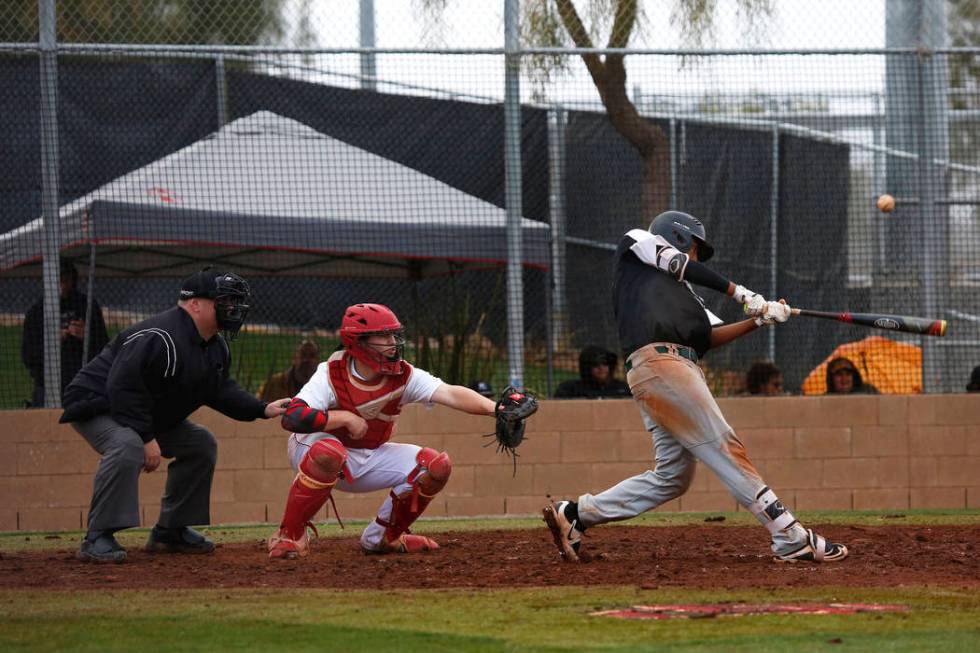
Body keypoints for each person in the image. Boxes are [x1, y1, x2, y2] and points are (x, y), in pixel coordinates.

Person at [543, 210, 848, 564]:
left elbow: (709, 337)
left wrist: (759, 319)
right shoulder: (637, 244)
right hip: (661, 364)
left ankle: (577, 514)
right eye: (696, 249)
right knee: (724, 444)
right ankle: (789, 535)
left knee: (673, 477)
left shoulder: (688, 299)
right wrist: (740, 292)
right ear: (679, 237)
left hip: (672, 370)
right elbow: (677, 264)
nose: (696, 257)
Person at [59, 267, 290, 563]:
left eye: (234, 301)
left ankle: (170, 531)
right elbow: (122, 387)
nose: (232, 308)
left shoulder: (215, 346)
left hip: (140, 409)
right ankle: (97, 537)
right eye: (224, 300)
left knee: (200, 444)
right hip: (96, 403)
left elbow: (219, 390)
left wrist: (262, 408)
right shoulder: (160, 337)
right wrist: (145, 437)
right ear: (195, 304)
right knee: (127, 445)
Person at [267, 302, 503, 559]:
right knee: (329, 452)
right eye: (384, 335)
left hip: (366, 454)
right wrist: (343, 417)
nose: (393, 341)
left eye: (394, 334)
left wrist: (498, 410)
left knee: (435, 465)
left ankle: (383, 537)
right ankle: (290, 535)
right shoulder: (331, 372)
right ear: (359, 341)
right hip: (314, 450)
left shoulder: (403, 374)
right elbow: (294, 417)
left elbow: (450, 393)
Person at [21, 258, 110, 407]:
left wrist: (86, 336)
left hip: (84, 383)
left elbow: (105, 348)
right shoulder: (36, 313)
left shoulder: (87, 306)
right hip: (48, 385)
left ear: (73, 280)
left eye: (65, 279)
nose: (62, 284)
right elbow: (28, 356)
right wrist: (51, 343)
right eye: (57, 280)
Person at [554, 346, 632, 399]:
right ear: (587, 368)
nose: (601, 368)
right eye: (595, 364)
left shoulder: (622, 389)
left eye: (605, 363)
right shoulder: (570, 390)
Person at [256, 339, 321, 401]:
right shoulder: (273, 384)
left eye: (312, 356)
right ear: (294, 358)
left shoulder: (322, 387)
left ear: (318, 361)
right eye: (303, 354)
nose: (306, 360)